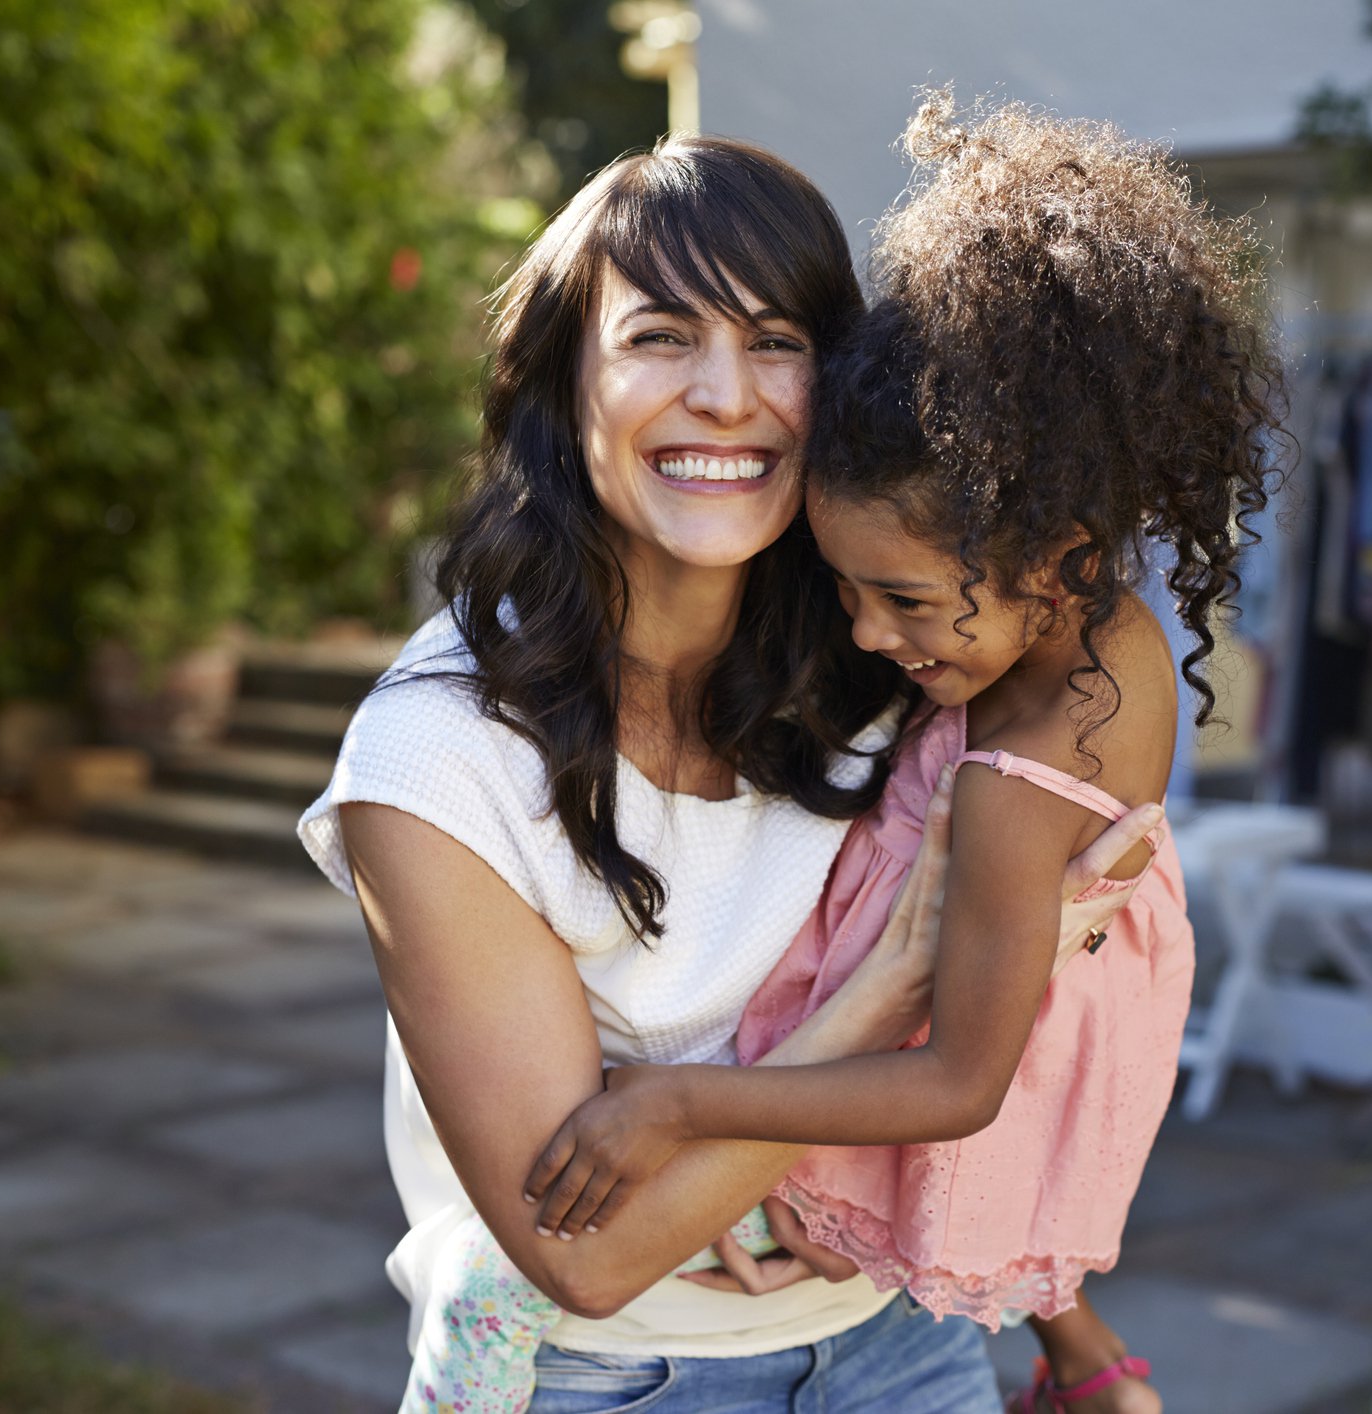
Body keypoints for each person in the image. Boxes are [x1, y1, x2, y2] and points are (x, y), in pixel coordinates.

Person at [297, 131, 1155, 1414]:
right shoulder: (438, 761)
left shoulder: (897, 649)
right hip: (616, 1374)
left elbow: (1032, 1023)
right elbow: (583, 1254)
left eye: (774, 340)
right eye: (658, 338)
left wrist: (1082, 1350)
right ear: (563, 383)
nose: (725, 394)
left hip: (901, 1344)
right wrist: (894, 987)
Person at [523, 96, 1281, 1414]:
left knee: (657, 1234)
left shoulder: (1005, 786)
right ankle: (1087, 1356)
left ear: (1056, 556)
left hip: (883, 1110)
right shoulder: (1112, 638)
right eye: (849, 589)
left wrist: (684, 1111)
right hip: (980, 1044)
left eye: (908, 603)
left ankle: (1071, 1348)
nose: (869, 633)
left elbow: (960, 1075)